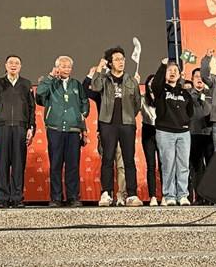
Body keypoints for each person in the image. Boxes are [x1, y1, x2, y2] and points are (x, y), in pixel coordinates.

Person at [90, 46, 142, 207]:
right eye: (117, 60)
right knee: (107, 159)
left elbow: (137, 104)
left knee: (129, 160)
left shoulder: (131, 80)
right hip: (108, 124)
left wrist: (128, 117)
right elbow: (95, 87)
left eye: (122, 59)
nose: (121, 62)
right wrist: (99, 68)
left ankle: (131, 194)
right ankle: (106, 193)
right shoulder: (104, 79)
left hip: (127, 124)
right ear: (110, 63)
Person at [35, 55, 89, 207]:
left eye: (68, 67)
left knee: (73, 165)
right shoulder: (50, 83)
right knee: (56, 164)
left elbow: (84, 102)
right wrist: (51, 77)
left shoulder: (76, 85)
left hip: (73, 130)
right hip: (55, 129)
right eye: (63, 66)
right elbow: (39, 94)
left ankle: (73, 197)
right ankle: (56, 198)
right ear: (57, 67)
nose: (66, 69)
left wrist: (82, 116)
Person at [0, 55, 35, 208]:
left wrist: (31, 127)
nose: (14, 65)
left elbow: (31, 108)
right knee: (3, 162)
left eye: (17, 63)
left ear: (20, 66)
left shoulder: (26, 84)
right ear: (6, 66)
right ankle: (2, 198)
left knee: (19, 164)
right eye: (11, 63)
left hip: (20, 127)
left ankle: (17, 197)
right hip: (3, 127)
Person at [148, 59, 198, 206]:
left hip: (183, 132)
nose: (172, 72)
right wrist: (163, 66)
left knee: (183, 165)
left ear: (180, 75)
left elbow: (190, 112)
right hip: (165, 131)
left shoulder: (185, 93)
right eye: (170, 70)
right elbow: (156, 82)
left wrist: (184, 123)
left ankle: (183, 195)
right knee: (168, 164)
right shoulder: (160, 90)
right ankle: (169, 195)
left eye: (175, 70)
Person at [84, 67, 127, 206]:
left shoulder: (124, 89)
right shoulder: (101, 93)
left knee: (122, 165)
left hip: (123, 131)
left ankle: (122, 195)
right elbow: (86, 90)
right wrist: (91, 74)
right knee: (107, 163)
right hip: (105, 132)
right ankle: (106, 193)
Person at [187, 68, 213, 203]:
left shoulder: (211, 94)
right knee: (197, 167)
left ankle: (211, 196)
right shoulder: (187, 95)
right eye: (196, 77)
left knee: (211, 166)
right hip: (194, 133)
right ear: (192, 80)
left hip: (209, 133)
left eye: (201, 77)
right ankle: (199, 196)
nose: (199, 79)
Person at [141, 73, 161, 206]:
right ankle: (153, 196)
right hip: (148, 131)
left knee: (164, 165)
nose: (152, 85)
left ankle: (165, 195)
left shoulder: (163, 97)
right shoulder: (143, 98)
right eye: (150, 82)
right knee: (151, 165)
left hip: (162, 131)